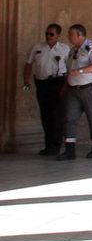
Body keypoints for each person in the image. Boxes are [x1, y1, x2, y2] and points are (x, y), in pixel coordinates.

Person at [59, 24, 92, 160]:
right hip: (73, 89)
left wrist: (80, 71)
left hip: (90, 88)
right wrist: (65, 86)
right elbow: (69, 69)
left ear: (80, 35)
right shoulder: (72, 50)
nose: (68, 37)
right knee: (69, 118)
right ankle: (69, 149)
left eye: (71, 34)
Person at [22, 23, 69, 156]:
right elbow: (28, 64)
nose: (48, 36)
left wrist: (66, 86)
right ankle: (48, 146)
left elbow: (70, 68)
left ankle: (56, 146)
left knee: (57, 115)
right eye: (46, 33)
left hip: (58, 82)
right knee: (46, 115)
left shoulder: (64, 49)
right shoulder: (37, 47)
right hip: (42, 84)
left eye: (51, 34)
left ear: (58, 35)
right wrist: (26, 82)